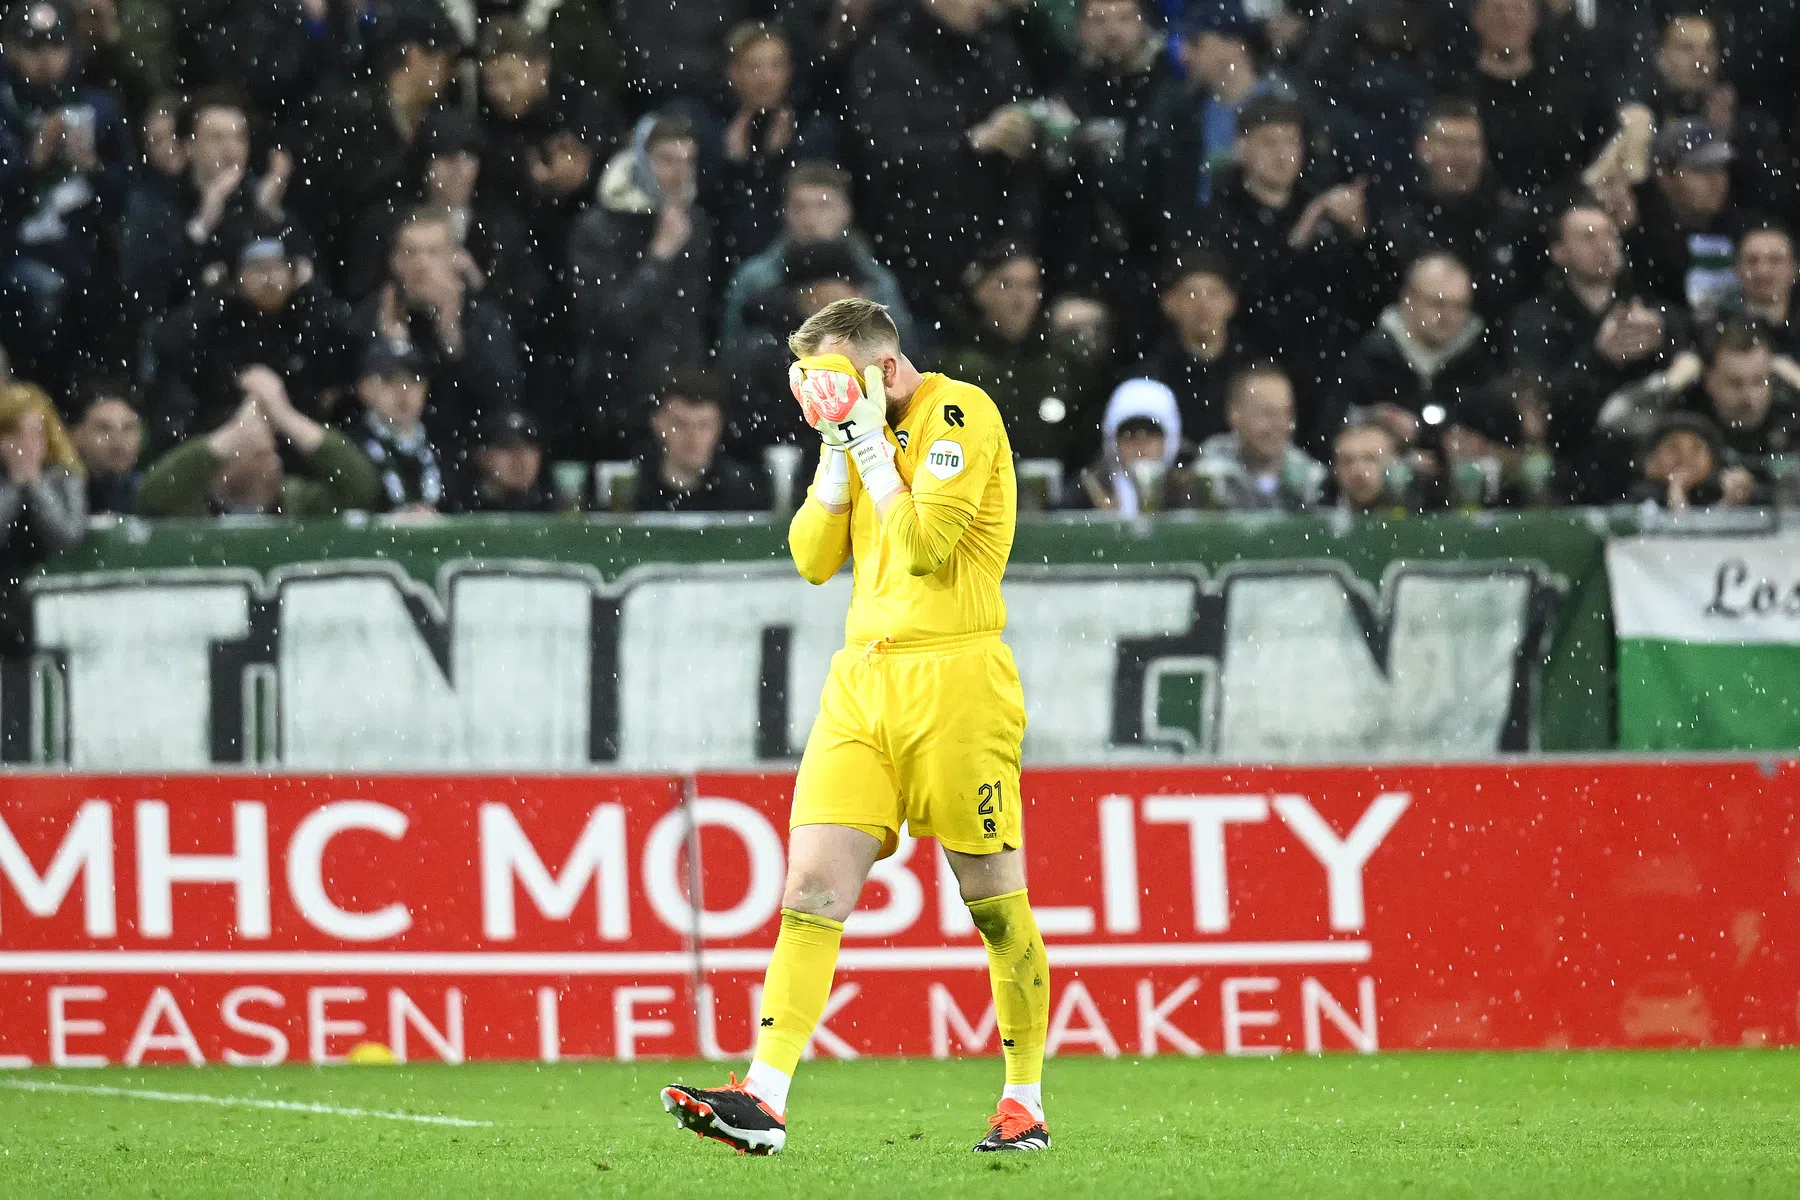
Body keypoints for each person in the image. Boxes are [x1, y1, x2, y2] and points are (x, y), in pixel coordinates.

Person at [661, 298, 1050, 1155]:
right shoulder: (852, 434)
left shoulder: (961, 412)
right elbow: (809, 559)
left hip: (958, 680)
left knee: (993, 904)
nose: (815, 393)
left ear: (878, 368)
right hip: (860, 680)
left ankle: (1024, 1101)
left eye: (828, 377)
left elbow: (924, 546)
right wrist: (838, 459)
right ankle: (764, 1098)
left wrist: (867, 442)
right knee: (809, 892)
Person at [566, 113, 713, 459]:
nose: (679, 172)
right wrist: (659, 258)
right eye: (666, 160)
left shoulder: (695, 223)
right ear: (639, 161)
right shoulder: (597, 228)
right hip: (615, 398)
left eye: (688, 160)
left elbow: (694, 316)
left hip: (678, 398)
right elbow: (610, 323)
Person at [0, 0, 132, 382]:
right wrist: (31, 162)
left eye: (55, 46)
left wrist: (91, 166)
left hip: (84, 253)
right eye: (33, 47)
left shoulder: (101, 108)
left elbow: (126, 194)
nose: (45, 59)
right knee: (42, 294)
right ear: (10, 48)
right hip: (14, 254)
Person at [144, 225, 354, 450]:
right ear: (238, 277)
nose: (269, 279)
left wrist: (313, 289)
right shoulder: (219, 318)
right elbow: (165, 343)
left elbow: (353, 343)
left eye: (277, 268)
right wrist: (212, 295)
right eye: (258, 270)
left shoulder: (309, 315)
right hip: (227, 435)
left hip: (298, 437)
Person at [353, 205, 524, 451]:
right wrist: (389, 347)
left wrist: (451, 336)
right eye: (411, 253)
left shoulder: (483, 317)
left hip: (465, 451)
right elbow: (347, 397)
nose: (421, 264)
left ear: (455, 259)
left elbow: (504, 400)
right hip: (386, 453)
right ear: (394, 261)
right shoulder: (372, 315)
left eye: (433, 252)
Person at [716, 161, 914, 349]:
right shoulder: (754, 277)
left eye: (823, 207)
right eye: (799, 207)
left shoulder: (876, 279)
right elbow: (733, 351)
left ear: (846, 212)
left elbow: (901, 350)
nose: (810, 219)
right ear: (784, 213)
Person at [137, 367, 379, 518]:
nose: (273, 461)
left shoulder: (299, 503)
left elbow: (361, 487)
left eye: (271, 451)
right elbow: (153, 494)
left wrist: (285, 416)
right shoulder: (191, 505)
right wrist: (232, 435)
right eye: (258, 454)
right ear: (222, 460)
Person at [1377, 97, 1537, 323]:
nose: (1462, 156)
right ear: (1422, 149)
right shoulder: (1396, 224)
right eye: (1449, 143)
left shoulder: (1516, 223)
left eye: (1471, 144)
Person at [936, 242, 1097, 466]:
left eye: (1030, 286)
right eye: (1007, 285)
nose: (1020, 300)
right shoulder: (951, 366)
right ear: (980, 291)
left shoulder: (1064, 360)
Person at [1333, 252, 1501, 460]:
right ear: (1408, 298)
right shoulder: (1370, 357)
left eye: (1458, 306)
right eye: (1437, 303)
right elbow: (1330, 429)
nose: (1447, 316)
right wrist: (1372, 424)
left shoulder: (1480, 365)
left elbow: (1493, 433)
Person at [0, 380, 85, 659]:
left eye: (36, 433)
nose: (26, 444)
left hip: (52, 599)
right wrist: (14, 486)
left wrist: (34, 484)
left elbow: (67, 536)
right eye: (15, 434)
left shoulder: (65, 477)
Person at [1140, 248, 1260, 444]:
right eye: (1191, 293)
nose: (1203, 305)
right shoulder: (1149, 379)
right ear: (1169, 303)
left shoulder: (1253, 374)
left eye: (1213, 293)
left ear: (1231, 302)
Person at [1193, 363, 1326, 511]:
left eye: (1286, 413)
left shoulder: (1311, 479)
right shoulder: (1209, 474)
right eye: (1267, 413)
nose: (1280, 424)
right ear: (1234, 415)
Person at [633, 369, 766, 513]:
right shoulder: (630, 491)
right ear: (658, 424)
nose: (693, 437)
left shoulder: (745, 493)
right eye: (680, 424)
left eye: (704, 425)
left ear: (719, 427)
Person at [353, 344, 445, 514]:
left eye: (414, 380)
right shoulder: (352, 447)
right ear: (364, 389)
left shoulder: (445, 446)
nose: (404, 391)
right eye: (390, 381)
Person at [1075, 377, 1185, 513]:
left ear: (1170, 439)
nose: (1140, 444)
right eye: (1128, 433)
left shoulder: (1189, 494)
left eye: (1152, 433)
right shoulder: (1084, 494)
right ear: (1112, 441)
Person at [455, 407, 552, 513]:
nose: (519, 456)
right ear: (480, 456)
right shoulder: (457, 509)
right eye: (505, 446)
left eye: (529, 446)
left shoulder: (559, 507)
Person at [67, 376, 141, 514]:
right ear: (76, 435)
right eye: (103, 428)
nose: (118, 440)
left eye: (128, 428)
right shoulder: (60, 495)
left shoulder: (152, 494)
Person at [1330, 418, 1405, 514]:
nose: (1358, 471)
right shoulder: (1317, 512)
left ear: (1395, 463)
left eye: (1370, 459)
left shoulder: (1423, 505)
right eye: (1346, 461)